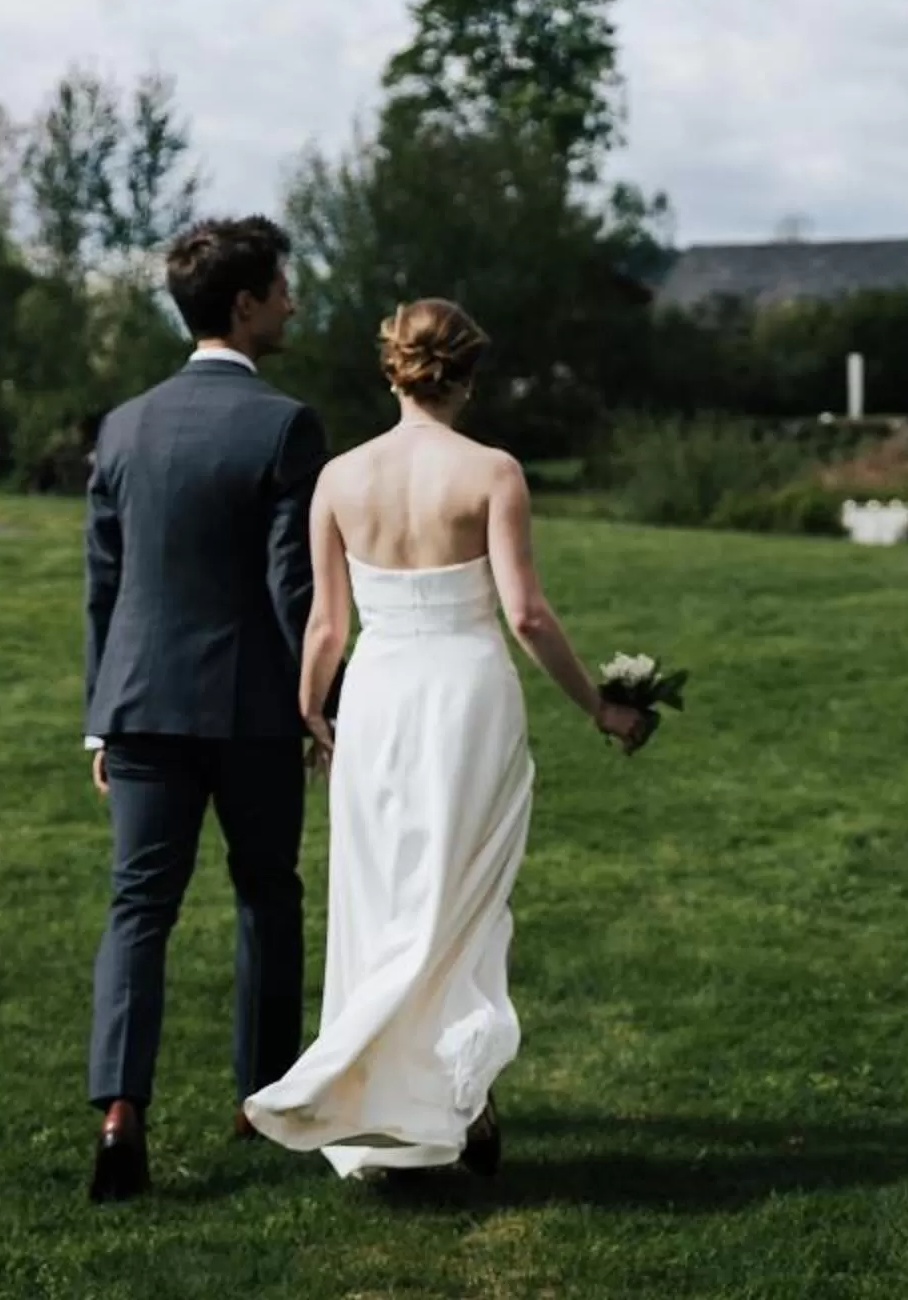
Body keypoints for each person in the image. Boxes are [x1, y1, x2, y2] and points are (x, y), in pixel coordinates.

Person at [244, 299, 651, 1179]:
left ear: (392, 368)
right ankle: (455, 1094)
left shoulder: (341, 478)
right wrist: (598, 706)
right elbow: (528, 615)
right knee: (462, 901)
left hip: (380, 697)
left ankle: (430, 1095)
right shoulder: (492, 471)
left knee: (389, 893)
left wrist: (313, 711)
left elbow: (324, 626)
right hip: (467, 694)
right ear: (467, 372)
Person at [81, 217, 328, 1204]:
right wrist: (323, 706)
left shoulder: (121, 424)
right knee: (267, 894)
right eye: (282, 286)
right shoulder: (284, 424)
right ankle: (260, 1098)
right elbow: (292, 590)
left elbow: (103, 582)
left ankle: (118, 1110)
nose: (293, 301)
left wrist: (102, 716)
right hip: (254, 711)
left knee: (138, 907)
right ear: (244, 303)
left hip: (138, 704)